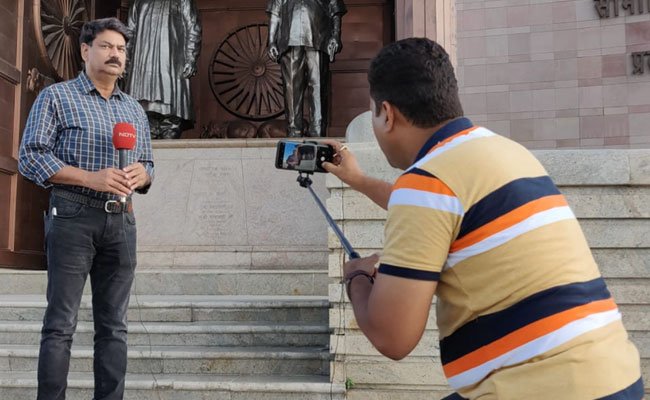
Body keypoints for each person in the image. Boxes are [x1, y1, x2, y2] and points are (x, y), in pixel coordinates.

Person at [323, 38, 643, 400]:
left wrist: (357, 277)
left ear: (387, 113)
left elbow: (392, 337)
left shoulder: (426, 184)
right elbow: (447, 209)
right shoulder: (504, 150)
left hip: (542, 387)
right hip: (615, 378)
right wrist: (359, 180)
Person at [18, 18, 154, 400]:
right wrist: (90, 178)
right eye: (107, 46)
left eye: (121, 49)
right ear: (85, 50)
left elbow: (148, 163)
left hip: (122, 221)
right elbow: (31, 157)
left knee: (114, 327)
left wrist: (144, 174)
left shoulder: (134, 110)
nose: (116, 55)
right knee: (60, 324)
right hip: (72, 217)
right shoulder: (56, 97)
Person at [266, 0, 347, 137]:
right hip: (289, 39)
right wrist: (271, 41)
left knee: (318, 88)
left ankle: (318, 132)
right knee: (291, 89)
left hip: (319, 38)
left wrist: (335, 36)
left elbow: (335, 10)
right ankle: (294, 133)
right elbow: (275, 14)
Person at [125, 0, 202, 139]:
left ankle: (169, 127)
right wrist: (124, 61)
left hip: (171, 64)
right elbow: (129, 34)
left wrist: (191, 58)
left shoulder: (182, 1)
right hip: (142, 67)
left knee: (171, 112)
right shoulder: (138, 2)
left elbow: (193, 29)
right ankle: (150, 128)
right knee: (143, 113)